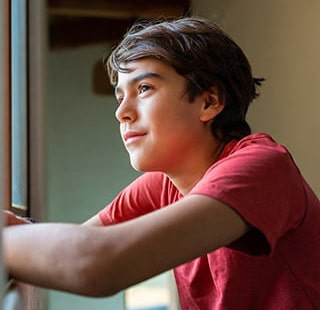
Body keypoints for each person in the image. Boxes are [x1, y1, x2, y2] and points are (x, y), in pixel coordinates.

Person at [4, 16, 320, 309]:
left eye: (144, 88)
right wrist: (21, 230)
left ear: (209, 101)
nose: (121, 112)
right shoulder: (166, 182)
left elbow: (99, 263)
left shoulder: (261, 167)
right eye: (119, 96)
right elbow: (76, 244)